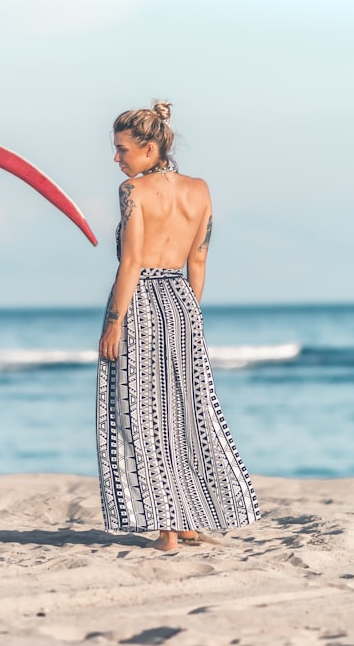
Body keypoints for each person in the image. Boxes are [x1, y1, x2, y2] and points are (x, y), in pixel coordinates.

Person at [96, 101, 261, 551]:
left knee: (144, 416)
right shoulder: (200, 189)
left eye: (122, 149)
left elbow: (130, 262)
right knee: (186, 412)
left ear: (149, 149)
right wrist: (189, 312)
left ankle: (167, 531)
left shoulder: (133, 191)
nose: (117, 159)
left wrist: (114, 322)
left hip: (142, 301)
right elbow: (199, 258)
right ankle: (189, 519)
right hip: (182, 301)